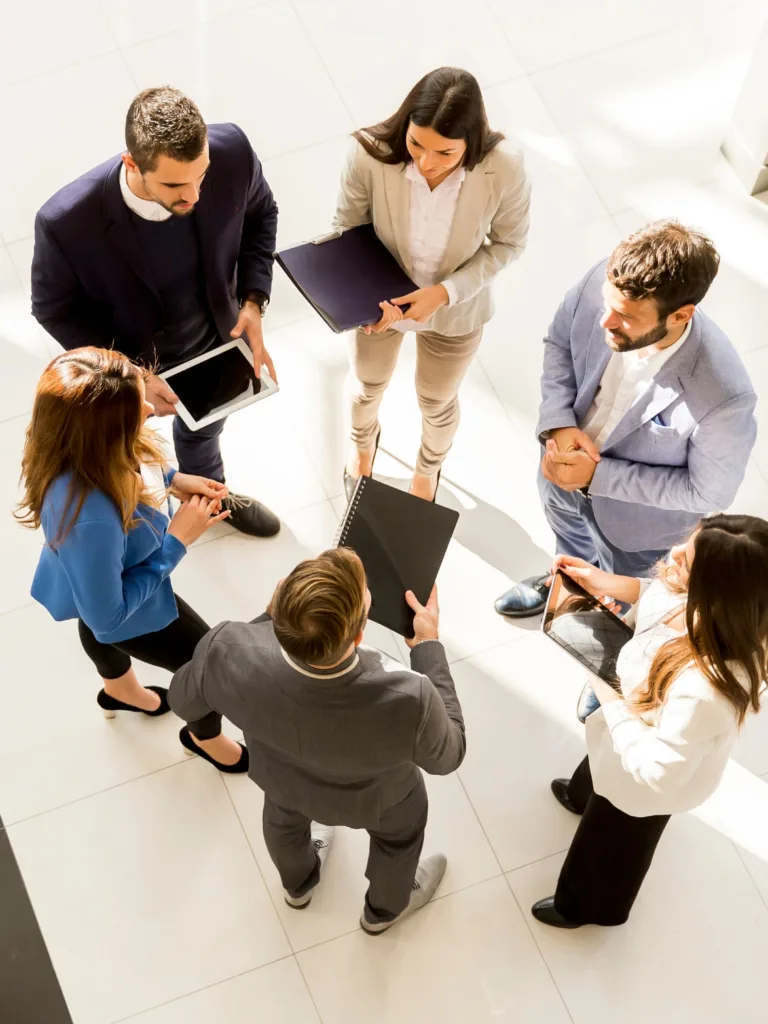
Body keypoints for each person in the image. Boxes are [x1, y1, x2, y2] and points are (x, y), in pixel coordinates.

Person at [168, 548, 466, 934]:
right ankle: (383, 912)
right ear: (359, 635)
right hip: (382, 803)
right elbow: (449, 756)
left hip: (284, 783)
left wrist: (263, 623)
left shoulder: (224, 651)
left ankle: (299, 886)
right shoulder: (411, 697)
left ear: (279, 605)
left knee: (284, 826)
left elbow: (181, 699)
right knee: (399, 844)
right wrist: (428, 648)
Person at [30, 86, 280, 538]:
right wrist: (133, 375)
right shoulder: (65, 223)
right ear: (132, 164)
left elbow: (263, 214)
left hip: (216, 341)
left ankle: (211, 496)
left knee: (204, 432)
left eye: (201, 177)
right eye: (174, 185)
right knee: (119, 457)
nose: (194, 195)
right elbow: (52, 307)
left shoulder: (233, 152)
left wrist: (253, 302)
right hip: (128, 362)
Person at [495, 220, 757, 618]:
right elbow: (560, 343)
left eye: (626, 317)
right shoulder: (607, 285)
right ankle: (564, 588)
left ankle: (605, 646)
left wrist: (595, 478)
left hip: (636, 533)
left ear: (680, 315)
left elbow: (709, 493)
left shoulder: (724, 395)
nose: (606, 322)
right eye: (607, 305)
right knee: (568, 545)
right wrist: (560, 422)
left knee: (620, 606)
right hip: (559, 475)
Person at [17, 348, 248, 772]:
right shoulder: (91, 518)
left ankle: (119, 692)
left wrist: (173, 480)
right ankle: (205, 738)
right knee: (204, 666)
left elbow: (137, 464)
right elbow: (109, 619)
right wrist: (177, 541)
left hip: (89, 577)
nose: (148, 408)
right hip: (128, 603)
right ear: (103, 435)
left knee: (90, 619)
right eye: (133, 411)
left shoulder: (82, 446)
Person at [531, 515, 768, 928]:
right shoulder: (700, 595)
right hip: (625, 728)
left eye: (688, 561)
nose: (673, 554)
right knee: (600, 767)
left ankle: (585, 907)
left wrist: (609, 694)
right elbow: (659, 594)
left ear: (717, 595)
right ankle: (582, 795)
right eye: (686, 544)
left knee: (614, 840)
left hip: (643, 775)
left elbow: (658, 773)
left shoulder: (707, 691)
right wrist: (603, 581)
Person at [334, 66, 530, 503]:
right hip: (380, 304)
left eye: (445, 153)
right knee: (366, 384)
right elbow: (347, 231)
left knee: (436, 401)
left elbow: (508, 243)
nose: (426, 162)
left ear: (471, 144)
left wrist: (444, 293)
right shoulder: (369, 155)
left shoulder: (505, 167)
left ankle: (428, 471)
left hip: (456, 310)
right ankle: (362, 447)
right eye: (417, 143)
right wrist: (362, 300)